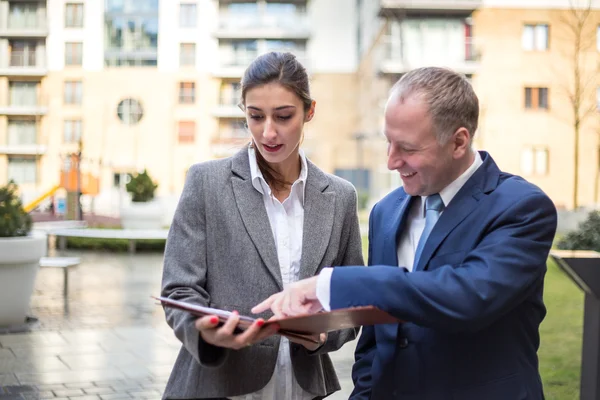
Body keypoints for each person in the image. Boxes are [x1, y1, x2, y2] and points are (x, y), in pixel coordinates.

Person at [253, 66, 558, 400]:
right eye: (388, 142)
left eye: (408, 148)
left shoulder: (522, 208)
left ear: (458, 142)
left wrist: (334, 284)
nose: (391, 161)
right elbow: (376, 343)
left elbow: (468, 297)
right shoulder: (386, 212)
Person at [160, 51, 364, 400]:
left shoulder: (340, 197)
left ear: (309, 111)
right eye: (255, 117)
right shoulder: (206, 183)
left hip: (302, 389)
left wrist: (322, 337)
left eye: (283, 116)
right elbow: (178, 292)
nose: (268, 132)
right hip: (218, 386)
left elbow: (351, 302)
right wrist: (207, 334)